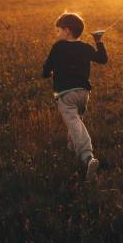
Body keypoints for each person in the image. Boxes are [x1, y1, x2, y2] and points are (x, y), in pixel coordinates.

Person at [42, 13, 108, 181]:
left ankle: (88, 157)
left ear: (67, 31)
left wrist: (46, 73)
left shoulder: (58, 47)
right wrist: (98, 41)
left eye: (58, 31)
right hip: (84, 94)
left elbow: (46, 67)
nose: (56, 35)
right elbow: (102, 59)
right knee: (76, 121)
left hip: (66, 94)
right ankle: (72, 147)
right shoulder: (85, 47)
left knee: (74, 122)